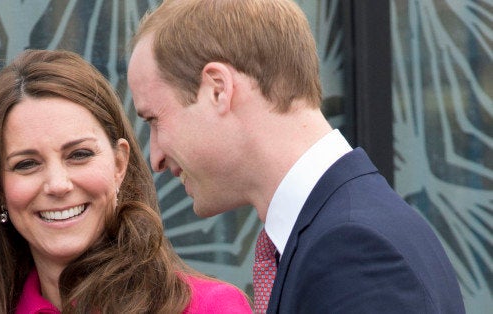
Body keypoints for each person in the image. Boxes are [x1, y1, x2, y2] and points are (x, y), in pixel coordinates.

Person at [127, 0, 465, 313]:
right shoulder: (348, 229)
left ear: (218, 89)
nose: (154, 157)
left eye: (154, 119)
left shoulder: (351, 248)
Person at [0, 49, 252, 313]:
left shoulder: (208, 307)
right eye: (26, 164)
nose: (57, 184)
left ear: (119, 164)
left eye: (79, 155)